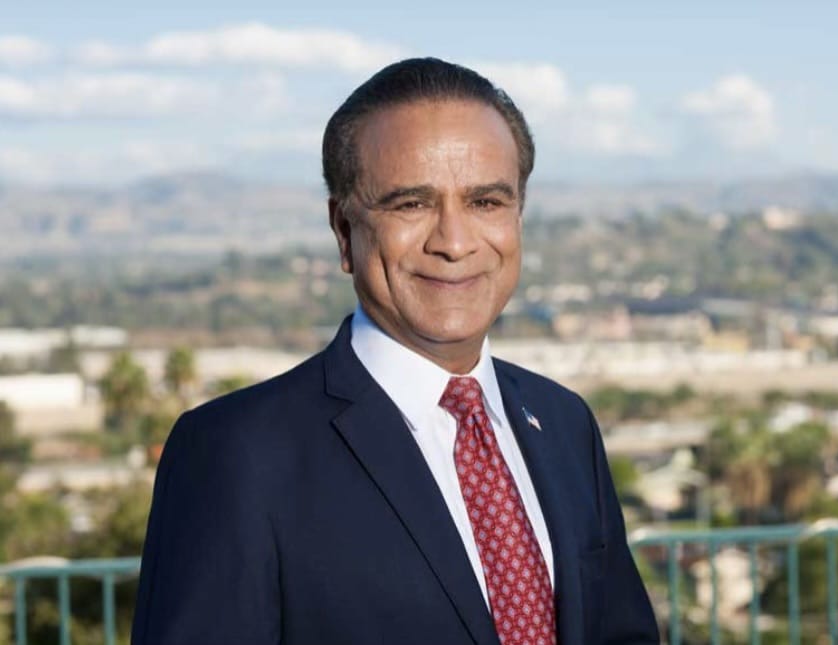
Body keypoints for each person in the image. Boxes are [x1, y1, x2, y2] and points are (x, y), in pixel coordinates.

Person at [131, 57, 658, 645]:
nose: (454, 242)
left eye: (486, 202)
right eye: (412, 204)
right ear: (344, 231)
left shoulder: (563, 422)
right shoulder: (237, 454)